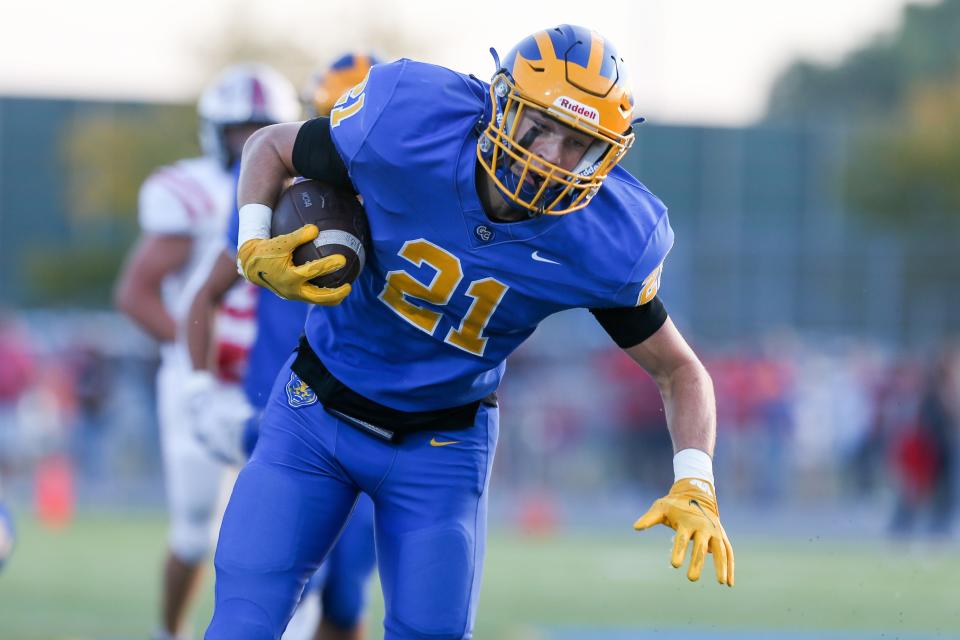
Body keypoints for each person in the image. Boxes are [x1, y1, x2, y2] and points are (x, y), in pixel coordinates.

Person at [209, 25, 735, 640]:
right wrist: (251, 241)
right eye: (538, 126)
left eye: (577, 143)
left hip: (441, 448)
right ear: (500, 104)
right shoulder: (410, 120)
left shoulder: (608, 239)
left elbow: (679, 369)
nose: (550, 156)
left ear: (607, 154)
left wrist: (696, 477)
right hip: (315, 412)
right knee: (243, 621)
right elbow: (270, 147)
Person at [186, 53, 381, 640]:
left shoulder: (418, 206)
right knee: (285, 587)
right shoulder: (284, 195)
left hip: (373, 414)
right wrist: (202, 393)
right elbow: (206, 296)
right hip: (284, 413)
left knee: (346, 598)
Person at [114, 63, 300, 640]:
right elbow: (135, 293)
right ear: (212, 132)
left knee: (288, 521)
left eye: (261, 128)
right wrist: (197, 360)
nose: (249, 143)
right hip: (201, 377)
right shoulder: (190, 192)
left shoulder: (305, 192)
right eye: (236, 130)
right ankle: (171, 631)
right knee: (196, 527)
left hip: (274, 374)